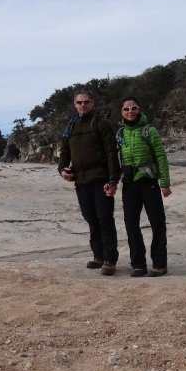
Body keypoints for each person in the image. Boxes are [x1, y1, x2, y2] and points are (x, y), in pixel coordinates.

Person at [57, 90, 121, 275]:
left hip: (101, 179)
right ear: (74, 104)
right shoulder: (70, 126)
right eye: (79, 102)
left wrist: (113, 179)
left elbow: (111, 152)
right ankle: (98, 256)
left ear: (93, 103)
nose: (83, 105)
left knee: (104, 219)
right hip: (81, 182)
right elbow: (64, 152)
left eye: (86, 102)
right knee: (91, 220)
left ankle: (110, 260)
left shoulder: (102, 123)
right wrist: (62, 170)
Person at [116, 96, 171, 277]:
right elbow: (116, 161)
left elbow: (161, 157)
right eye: (126, 109)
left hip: (148, 182)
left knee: (157, 223)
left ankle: (159, 264)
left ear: (139, 109)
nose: (130, 111)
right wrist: (112, 182)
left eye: (134, 107)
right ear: (121, 112)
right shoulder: (120, 134)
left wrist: (165, 183)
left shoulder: (150, 131)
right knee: (131, 225)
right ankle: (138, 265)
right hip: (129, 184)